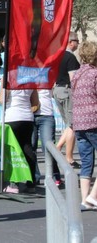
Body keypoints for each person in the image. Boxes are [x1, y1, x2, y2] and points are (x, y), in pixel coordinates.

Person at [69, 41, 97, 211]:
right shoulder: (95, 74)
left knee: (86, 162)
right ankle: (93, 197)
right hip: (94, 121)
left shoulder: (77, 74)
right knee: (88, 161)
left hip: (79, 123)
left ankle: (84, 200)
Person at [2, 88, 39, 194]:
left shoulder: (9, 80)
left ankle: (14, 183)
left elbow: (1, 99)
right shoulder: (31, 81)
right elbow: (36, 104)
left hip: (12, 117)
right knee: (27, 148)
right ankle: (31, 183)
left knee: (12, 150)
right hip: (27, 118)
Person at [55, 32, 81, 168]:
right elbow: (73, 79)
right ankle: (68, 156)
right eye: (77, 40)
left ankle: (58, 148)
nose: (78, 43)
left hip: (57, 90)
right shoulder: (70, 57)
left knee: (69, 124)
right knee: (73, 125)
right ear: (71, 42)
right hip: (66, 90)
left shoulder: (57, 55)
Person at [33, 89, 61, 187]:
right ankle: (34, 177)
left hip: (46, 115)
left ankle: (54, 175)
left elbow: (55, 91)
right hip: (29, 115)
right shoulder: (26, 77)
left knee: (48, 147)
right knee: (31, 147)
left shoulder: (47, 76)